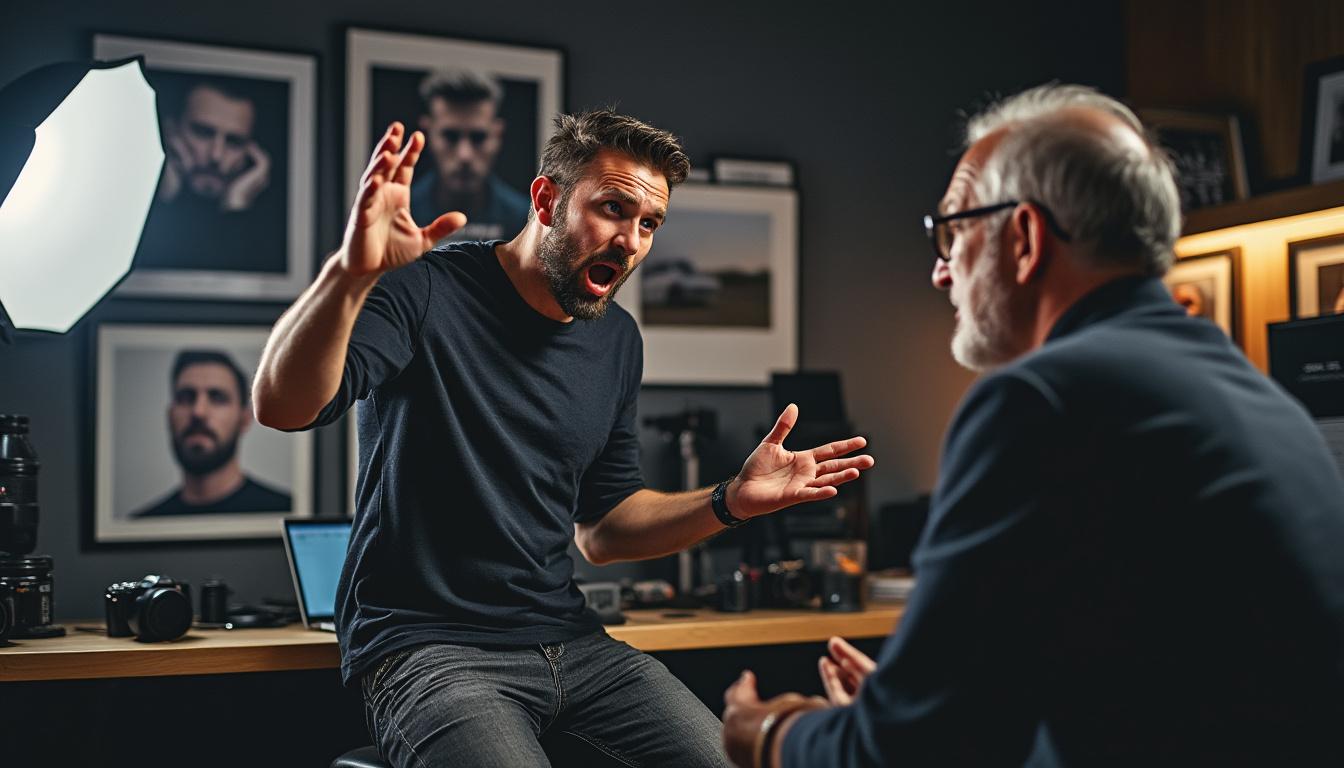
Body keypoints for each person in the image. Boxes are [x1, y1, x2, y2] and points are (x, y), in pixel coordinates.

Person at [722, 84, 1344, 767]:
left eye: (953, 231)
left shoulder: (1041, 400)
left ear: (1023, 237)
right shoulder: (1251, 391)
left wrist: (770, 733)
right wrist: (925, 700)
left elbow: (905, 750)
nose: (939, 272)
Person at [252, 108, 874, 767]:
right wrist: (350, 276)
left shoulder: (616, 340)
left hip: (576, 646)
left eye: (649, 224)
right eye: (612, 209)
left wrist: (730, 501)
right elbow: (284, 407)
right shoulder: (426, 289)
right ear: (546, 200)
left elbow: (604, 530)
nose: (631, 241)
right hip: (430, 648)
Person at [137, 77, 284, 273]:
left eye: (234, 141)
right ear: (172, 132)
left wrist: (236, 205)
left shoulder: (270, 232)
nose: (216, 155)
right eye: (203, 133)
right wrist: (163, 198)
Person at [134, 350, 291, 517]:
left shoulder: (283, 511)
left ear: (244, 419)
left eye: (218, 398)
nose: (198, 412)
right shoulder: (140, 524)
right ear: (170, 416)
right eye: (186, 397)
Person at [409, 68, 531, 242]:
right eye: (450, 136)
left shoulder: (526, 223)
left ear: (497, 134)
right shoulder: (400, 216)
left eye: (478, 138)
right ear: (428, 132)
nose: (464, 155)